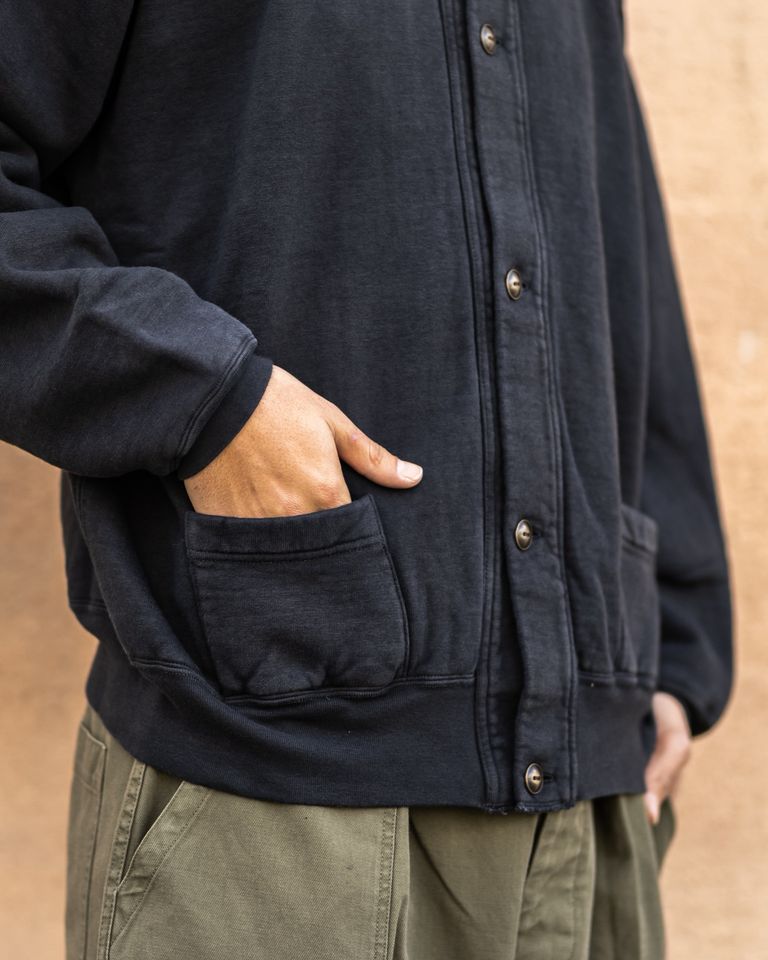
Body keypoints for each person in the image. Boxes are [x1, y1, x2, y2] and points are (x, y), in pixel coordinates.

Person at [0, 2, 732, 958]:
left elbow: (613, 220)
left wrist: (674, 639)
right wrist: (204, 403)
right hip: (265, 793)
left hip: (590, 800)